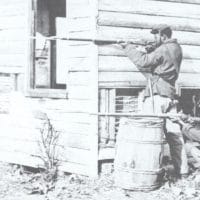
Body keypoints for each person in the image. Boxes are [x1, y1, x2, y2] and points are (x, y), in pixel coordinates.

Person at [119, 24, 188, 178]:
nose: (154, 39)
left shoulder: (163, 49)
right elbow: (162, 61)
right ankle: (183, 171)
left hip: (157, 96)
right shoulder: (176, 48)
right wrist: (151, 48)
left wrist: (128, 47)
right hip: (170, 95)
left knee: (149, 134)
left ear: (163, 36)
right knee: (175, 135)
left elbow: (143, 62)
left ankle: (149, 172)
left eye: (156, 36)